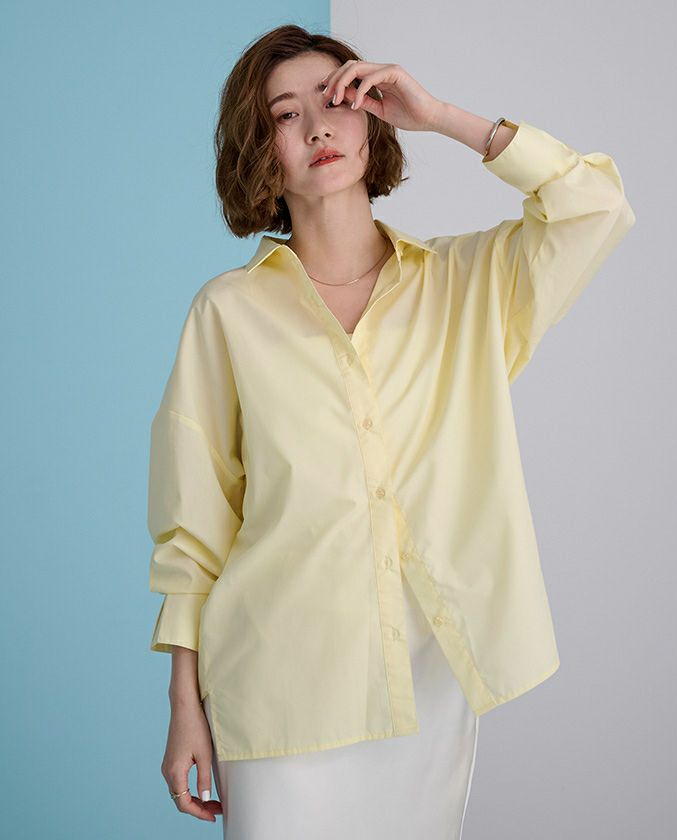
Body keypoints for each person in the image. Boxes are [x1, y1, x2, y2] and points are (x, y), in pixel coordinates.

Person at [147, 24, 635, 839]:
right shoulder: (226, 313)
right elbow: (194, 530)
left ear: (374, 117)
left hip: (427, 680)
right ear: (260, 150)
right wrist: (184, 706)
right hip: (275, 682)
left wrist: (442, 116)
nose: (317, 128)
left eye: (338, 100)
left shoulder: (467, 288)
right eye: (285, 114)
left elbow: (596, 206)